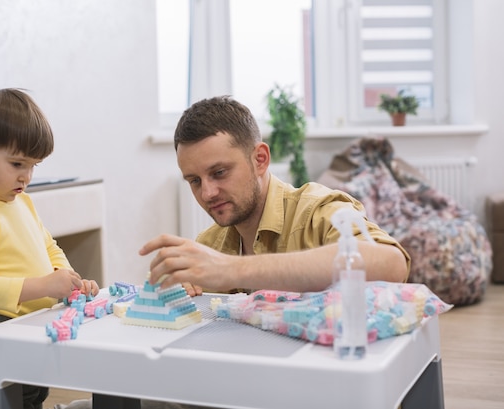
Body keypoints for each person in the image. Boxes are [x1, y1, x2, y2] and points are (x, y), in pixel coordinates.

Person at [141, 95, 410, 296]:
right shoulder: (209, 245)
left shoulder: (317, 211)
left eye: (220, 172)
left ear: (260, 159)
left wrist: (231, 269)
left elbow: (391, 264)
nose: (207, 193)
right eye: (194, 181)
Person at [0, 88, 100, 409]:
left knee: (34, 397)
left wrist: (66, 277)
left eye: (34, 165)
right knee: (8, 402)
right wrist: (44, 286)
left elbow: (47, 245)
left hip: (30, 326)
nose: (27, 176)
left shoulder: (21, 201)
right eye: (18, 163)